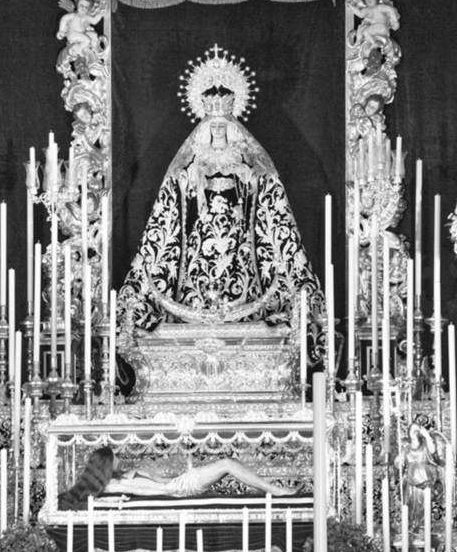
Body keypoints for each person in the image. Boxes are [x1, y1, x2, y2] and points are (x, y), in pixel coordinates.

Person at [118, 46, 325, 361]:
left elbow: (262, 193)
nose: (217, 131)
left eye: (221, 125)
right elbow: (175, 202)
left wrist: (247, 178)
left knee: (242, 270)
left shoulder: (244, 159)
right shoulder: (192, 160)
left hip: (238, 237)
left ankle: (248, 312)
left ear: (230, 125)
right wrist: (192, 183)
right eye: (212, 126)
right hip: (202, 239)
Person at [58, 447, 298, 509]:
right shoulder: (111, 484)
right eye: (115, 457)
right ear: (105, 464)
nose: (119, 458)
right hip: (179, 489)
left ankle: (273, 490)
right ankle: (274, 491)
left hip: (178, 483)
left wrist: (180, 475)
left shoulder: (120, 476)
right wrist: (169, 492)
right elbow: (147, 491)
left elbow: (159, 482)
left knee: (226, 464)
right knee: (227, 464)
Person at [395, 423, 443, 534]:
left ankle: (422, 528)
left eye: (416, 429)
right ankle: (412, 526)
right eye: (411, 429)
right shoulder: (406, 447)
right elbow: (399, 463)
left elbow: (432, 451)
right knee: (409, 503)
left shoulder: (425, 445)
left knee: (423, 503)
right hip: (410, 481)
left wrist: (427, 436)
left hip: (424, 480)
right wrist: (398, 462)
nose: (413, 431)